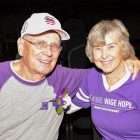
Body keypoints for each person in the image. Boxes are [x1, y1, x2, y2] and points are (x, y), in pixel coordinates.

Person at [0, 13, 139, 140]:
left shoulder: (64, 77)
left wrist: (127, 59)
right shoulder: (2, 76)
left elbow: (108, 72)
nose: (48, 52)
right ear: (21, 46)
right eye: (40, 43)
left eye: (54, 45)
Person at [65, 19, 140, 140]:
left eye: (111, 47)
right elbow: (68, 107)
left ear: (123, 48)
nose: (104, 55)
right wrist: (48, 103)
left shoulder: (136, 82)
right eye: (98, 48)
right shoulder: (93, 77)